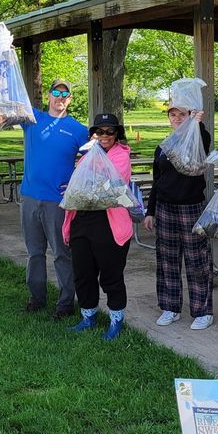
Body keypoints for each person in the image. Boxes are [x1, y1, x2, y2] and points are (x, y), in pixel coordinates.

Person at [19, 79, 87, 319]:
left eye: (65, 94)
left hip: (57, 203)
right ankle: (36, 298)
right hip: (29, 198)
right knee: (35, 252)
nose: (60, 97)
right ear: (48, 96)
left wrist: (75, 182)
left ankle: (65, 303)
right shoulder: (32, 119)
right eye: (56, 92)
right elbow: (12, 96)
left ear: (70, 99)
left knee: (61, 253)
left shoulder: (78, 130)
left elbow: (92, 163)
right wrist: (5, 54)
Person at [63, 114, 134, 340]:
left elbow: (113, 185)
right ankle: (88, 316)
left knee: (111, 275)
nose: (104, 136)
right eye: (99, 132)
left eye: (109, 132)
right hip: (82, 221)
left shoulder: (121, 156)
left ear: (117, 134)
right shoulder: (87, 156)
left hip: (109, 223)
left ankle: (116, 319)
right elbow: (77, 189)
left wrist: (87, 178)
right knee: (83, 273)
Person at [143, 104, 214, 330]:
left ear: (189, 117)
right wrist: (151, 210)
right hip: (165, 208)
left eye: (181, 114)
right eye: (172, 115)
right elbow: (157, 180)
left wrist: (197, 123)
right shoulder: (163, 146)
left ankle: (202, 311)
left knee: (197, 260)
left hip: (191, 207)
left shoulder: (196, 139)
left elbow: (204, 139)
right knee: (167, 260)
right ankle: (170, 307)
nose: (176, 118)